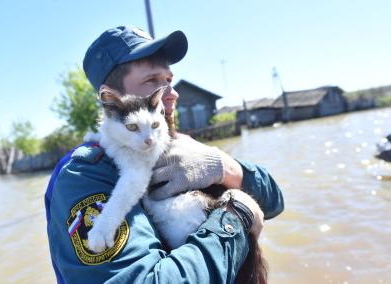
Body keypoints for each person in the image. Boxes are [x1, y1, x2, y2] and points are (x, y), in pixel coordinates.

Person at [45, 26, 284, 284]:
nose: (170, 93)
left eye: (168, 80)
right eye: (151, 81)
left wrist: (225, 168)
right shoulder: (85, 175)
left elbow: (275, 200)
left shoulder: (181, 144)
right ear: (113, 101)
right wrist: (236, 217)